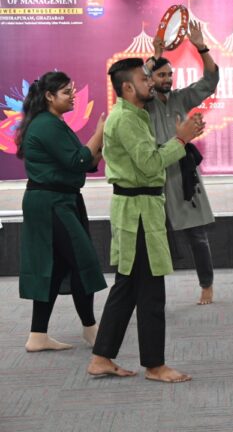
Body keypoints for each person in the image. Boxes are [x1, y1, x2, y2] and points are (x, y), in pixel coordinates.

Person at [86, 57, 203, 382]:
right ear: (127, 87)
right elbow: (150, 165)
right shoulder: (126, 119)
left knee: (127, 286)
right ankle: (154, 365)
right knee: (150, 290)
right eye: (144, 79)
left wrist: (180, 139)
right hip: (138, 213)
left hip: (139, 210)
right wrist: (180, 140)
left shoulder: (134, 115)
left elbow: (146, 160)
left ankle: (101, 357)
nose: (151, 82)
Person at [16, 72, 107, 352]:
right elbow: (78, 160)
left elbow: (84, 161)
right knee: (82, 261)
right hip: (51, 203)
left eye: (73, 91)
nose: (73, 97)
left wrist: (101, 144)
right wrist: (99, 132)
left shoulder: (52, 123)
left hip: (58, 200)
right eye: (67, 92)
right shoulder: (46, 124)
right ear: (49, 96)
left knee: (55, 266)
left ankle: (38, 335)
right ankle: (91, 329)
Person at [147, 21, 219, 305]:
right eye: (161, 74)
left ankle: (207, 285)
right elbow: (131, 86)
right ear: (150, 78)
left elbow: (210, 82)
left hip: (182, 175)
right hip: (152, 175)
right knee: (152, 240)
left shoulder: (180, 98)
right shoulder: (141, 103)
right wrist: (154, 55)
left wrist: (201, 48)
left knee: (197, 236)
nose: (167, 79)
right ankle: (151, 294)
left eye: (169, 74)